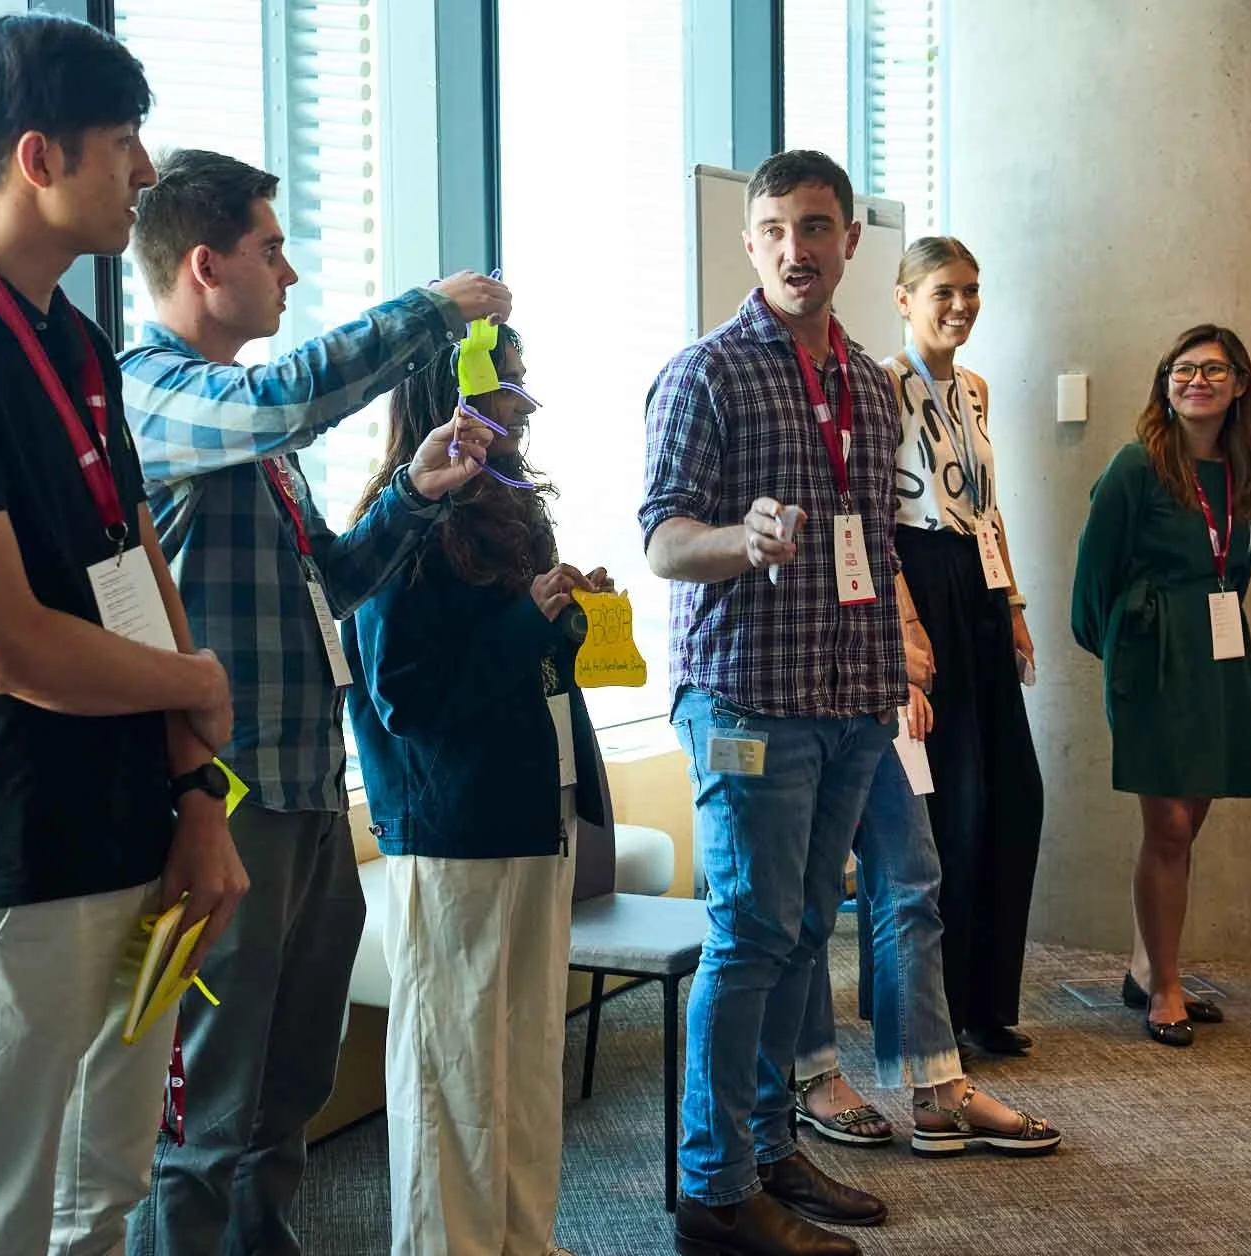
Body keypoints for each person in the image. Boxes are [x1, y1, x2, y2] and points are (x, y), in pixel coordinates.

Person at [0, 17, 246, 1254]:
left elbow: (134, 551)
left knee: (104, 1188)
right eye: (123, 142)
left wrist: (197, 787)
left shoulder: (75, 339)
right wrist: (192, 680)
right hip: (17, 848)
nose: (145, 171)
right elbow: (4, 643)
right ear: (39, 156)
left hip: (137, 819)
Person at [123, 149, 510, 1255]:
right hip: (214, 802)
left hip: (304, 788)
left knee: (286, 1086)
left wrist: (412, 496)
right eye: (271, 249)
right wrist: (427, 311)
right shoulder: (153, 394)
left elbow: (328, 584)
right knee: (200, 1107)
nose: (288, 275)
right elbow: (284, 400)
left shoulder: (252, 435)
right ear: (205, 265)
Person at [641, 149, 901, 1256]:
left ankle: (764, 1145)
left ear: (849, 241)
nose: (798, 249)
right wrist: (738, 540)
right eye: (778, 230)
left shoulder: (872, 385)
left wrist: (895, 674)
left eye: (817, 227)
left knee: (800, 934)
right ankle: (712, 1190)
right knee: (747, 937)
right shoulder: (704, 374)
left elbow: (873, 546)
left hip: (851, 698)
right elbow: (663, 541)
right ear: (750, 244)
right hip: (748, 699)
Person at [346, 324, 604, 1255]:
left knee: (527, 1055)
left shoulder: (509, 503)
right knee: (451, 1072)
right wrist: (526, 622)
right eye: (507, 384)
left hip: (536, 805)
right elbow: (405, 699)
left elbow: (518, 659)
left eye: (523, 381)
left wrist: (565, 612)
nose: (523, 403)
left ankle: (523, 1241)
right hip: (452, 826)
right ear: (446, 395)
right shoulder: (403, 520)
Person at [1072, 324, 1251, 1048]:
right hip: (1151, 657)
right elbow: (1092, 580)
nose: (1196, 381)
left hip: (1216, 656)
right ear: (1165, 383)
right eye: (1182, 369)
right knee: (1169, 827)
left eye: (1213, 370)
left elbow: (1235, 572)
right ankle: (1165, 987)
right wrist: (1121, 651)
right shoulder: (1137, 465)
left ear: (1239, 384)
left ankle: (1145, 966)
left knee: (1190, 821)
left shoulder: (1244, 470)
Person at [877, 236, 1045, 1057]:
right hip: (917, 577)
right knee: (948, 803)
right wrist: (903, 626)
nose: (960, 305)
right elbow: (872, 519)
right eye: (942, 291)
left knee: (1012, 795)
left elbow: (986, 506)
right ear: (904, 298)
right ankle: (927, 1011)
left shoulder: (974, 389)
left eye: (970, 290)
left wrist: (1012, 602)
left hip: (977, 586)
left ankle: (987, 1003)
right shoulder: (881, 385)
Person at [791, 730, 1062, 1158]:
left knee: (912, 885)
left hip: (881, 709)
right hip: (797, 706)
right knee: (810, 892)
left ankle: (939, 1086)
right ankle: (813, 1071)